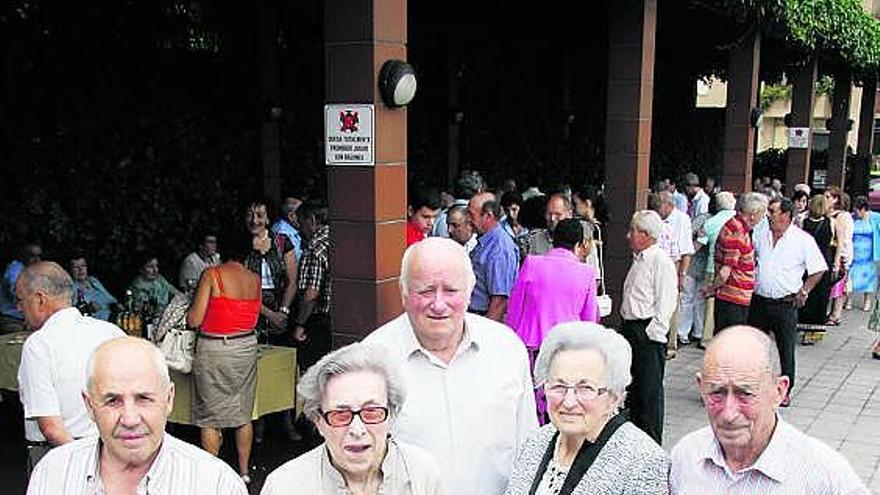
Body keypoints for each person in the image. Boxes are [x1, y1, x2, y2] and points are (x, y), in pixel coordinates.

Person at [364, 238, 537, 495]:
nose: (438, 304)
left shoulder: (507, 350)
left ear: (470, 290)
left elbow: (528, 449)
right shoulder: (371, 360)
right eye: (425, 290)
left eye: (451, 290)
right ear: (403, 293)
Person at [26, 337, 248, 494]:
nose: (130, 419)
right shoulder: (53, 472)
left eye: (144, 398)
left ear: (169, 398)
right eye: (112, 400)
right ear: (89, 405)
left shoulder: (216, 484)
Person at [670, 326, 869, 494]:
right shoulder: (686, 456)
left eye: (745, 394)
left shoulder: (824, 475)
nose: (729, 414)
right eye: (717, 393)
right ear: (701, 386)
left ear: (779, 392)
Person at [505, 323, 668, 495]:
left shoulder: (642, 461)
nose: (568, 402)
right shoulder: (536, 442)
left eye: (585, 388)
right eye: (559, 386)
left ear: (614, 397)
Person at [261, 342, 442, 495]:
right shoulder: (284, 487)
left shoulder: (422, 472)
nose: (357, 429)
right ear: (318, 421)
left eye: (371, 411)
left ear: (391, 415)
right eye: (341, 415)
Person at [16, 262, 124, 472]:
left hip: (59, 456)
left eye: (20, 300)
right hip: (113, 450)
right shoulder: (111, 332)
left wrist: (87, 468)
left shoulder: (39, 344)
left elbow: (51, 428)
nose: (19, 308)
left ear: (40, 299)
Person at [186, 230, 262, 483]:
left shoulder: (212, 274)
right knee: (243, 412)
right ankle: (243, 472)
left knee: (210, 416)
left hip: (216, 348)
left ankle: (213, 475)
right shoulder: (255, 279)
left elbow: (194, 319)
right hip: (246, 347)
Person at [507, 218, 599, 423]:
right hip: (567, 348)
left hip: (532, 344)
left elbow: (515, 306)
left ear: (553, 241)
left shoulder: (532, 263)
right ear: (579, 244)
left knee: (530, 404)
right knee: (561, 400)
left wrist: (510, 338)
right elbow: (590, 319)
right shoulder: (586, 273)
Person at [748, 197, 826, 406]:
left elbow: (818, 268)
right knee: (756, 346)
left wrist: (805, 289)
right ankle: (756, 385)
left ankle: (786, 389)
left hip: (785, 302)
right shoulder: (761, 235)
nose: (769, 215)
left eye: (772, 211)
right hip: (759, 300)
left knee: (786, 347)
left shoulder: (802, 240)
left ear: (786, 215)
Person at [619, 210, 677, 444]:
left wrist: (654, 332)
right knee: (634, 389)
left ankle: (651, 442)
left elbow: (667, 300)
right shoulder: (639, 260)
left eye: (633, 231)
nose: (628, 236)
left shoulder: (660, 261)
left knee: (649, 391)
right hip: (631, 329)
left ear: (646, 234)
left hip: (646, 332)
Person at [707, 192, 767, 331]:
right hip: (733, 297)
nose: (762, 218)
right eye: (762, 214)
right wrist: (712, 288)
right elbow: (724, 272)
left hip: (733, 295)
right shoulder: (737, 233)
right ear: (753, 213)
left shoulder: (735, 226)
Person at [243, 199, 296, 339]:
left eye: (259, 215)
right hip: (251, 313)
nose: (254, 220)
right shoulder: (240, 248)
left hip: (281, 309)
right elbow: (240, 288)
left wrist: (283, 312)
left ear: (267, 219)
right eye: (250, 215)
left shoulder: (282, 242)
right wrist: (270, 315)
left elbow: (292, 281)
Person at [291, 201, 333, 368]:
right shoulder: (336, 239)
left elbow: (311, 293)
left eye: (301, 223)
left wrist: (300, 324)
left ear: (312, 220)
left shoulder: (315, 248)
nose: (299, 230)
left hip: (318, 321)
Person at [467, 191, 519, 321]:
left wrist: (486, 335)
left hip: (484, 317)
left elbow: (499, 301)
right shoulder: (487, 242)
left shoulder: (499, 249)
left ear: (488, 216)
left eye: (472, 215)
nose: (468, 220)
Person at [700, 191, 737, 344]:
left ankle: (707, 338)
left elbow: (699, 242)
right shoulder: (738, 220)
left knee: (710, 305)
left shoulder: (711, 222)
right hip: (735, 269)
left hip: (712, 265)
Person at [798, 194, 835, 343]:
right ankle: (815, 330)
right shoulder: (830, 222)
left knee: (806, 291)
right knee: (820, 296)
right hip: (823, 260)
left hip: (807, 261)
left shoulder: (802, 221)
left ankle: (803, 326)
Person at [826, 187, 853, 325]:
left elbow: (842, 240)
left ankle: (836, 314)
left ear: (836, 199)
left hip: (840, 253)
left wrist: (838, 260)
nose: (826, 199)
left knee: (839, 282)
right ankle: (833, 313)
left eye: (828, 197)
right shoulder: (830, 214)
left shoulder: (841, 216)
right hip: (832, 251)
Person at [0, 242, 42, 333]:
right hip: (12, 319)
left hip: (28, 319)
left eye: (39, 256)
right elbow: (18, 295)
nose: (37, 259)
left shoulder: (34, 269)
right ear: (23, 256)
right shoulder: (14, 270)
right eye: (32, 256)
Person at [848, 196, 880, 312]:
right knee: (851, 275)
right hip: (855, 251)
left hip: (869, 252)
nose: (855, 213)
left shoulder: (875, 218)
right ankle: (849, 300)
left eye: (857, 210)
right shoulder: (852, 218)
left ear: (863, 209)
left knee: (869, 278)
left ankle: (867, 301)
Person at [127, 254, 182, 322]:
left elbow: (176, 293)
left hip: (168, 316)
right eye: (150, 267)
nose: (155, 270)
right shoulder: (137, 287)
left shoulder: (159, 279)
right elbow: (148, 311)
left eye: (156, 266)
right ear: (141, 269)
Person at [69, 255, 118, 321]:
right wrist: (87, 309)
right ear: (71, 270)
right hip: (95, 323)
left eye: (83, 265)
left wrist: (117, 305)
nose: (80, 269)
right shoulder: (71, 287)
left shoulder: (93, 280)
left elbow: (110, 298)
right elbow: (72, 310)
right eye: (76, 267)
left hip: (113, 317)